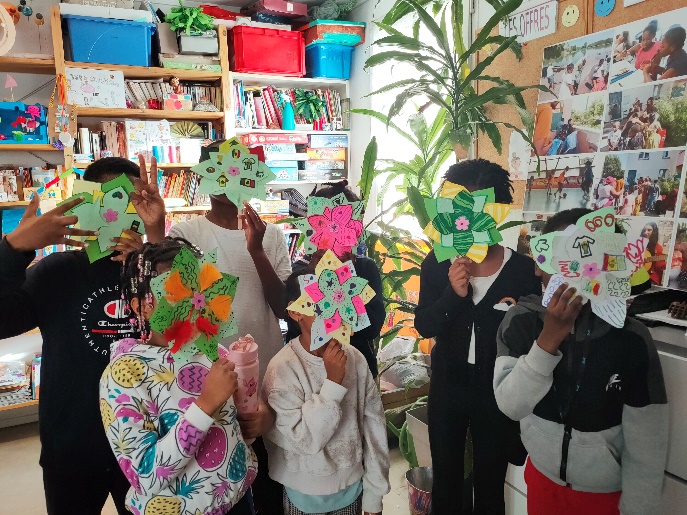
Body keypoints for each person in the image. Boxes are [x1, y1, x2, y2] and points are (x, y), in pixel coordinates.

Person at [0, 157, 165, 514]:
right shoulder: (56, 272)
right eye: (117, 200)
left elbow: (193, 328)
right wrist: (13, 249)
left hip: (148, 445)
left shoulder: (157, 269)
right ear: (90, 204)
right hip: (71, 448)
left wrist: (155, 249)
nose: (128, 214)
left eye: (139, 204)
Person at [493, 208, 668, 515]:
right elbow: (511, 405)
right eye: (561, 259)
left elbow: (647, 441)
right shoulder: (520, 322)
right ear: (539, 264)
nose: (574, 273)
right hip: (543, 478)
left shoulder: (631, 339)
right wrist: (548, 339)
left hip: (606, 492)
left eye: (588, 258)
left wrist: (639, 508)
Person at [166, 140, 291, 514]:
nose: (229, 180)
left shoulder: (271, 236)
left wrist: (256, 250)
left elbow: (284, 307)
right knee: (221, 474)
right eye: (219, 170)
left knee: (269, 472)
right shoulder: (186, 233)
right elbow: (174, 307)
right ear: (204, 177)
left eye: (239, 170)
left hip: (266, 374)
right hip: (209, 378)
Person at [414, 159, 542, 514]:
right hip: (448, 388)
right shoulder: (437, 263)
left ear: (495, 214)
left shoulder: (522, 271)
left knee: (489, 486)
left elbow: (534, 337)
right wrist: (452, 296)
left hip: (498, 392)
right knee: (446, 482)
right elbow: (424, 325)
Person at [100, 238, 257, 515]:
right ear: (142, 306)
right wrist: (206, 404)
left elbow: (236, 425)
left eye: (198, 288)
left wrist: (257, 417)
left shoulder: (212, 350)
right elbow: (146, 476)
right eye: (174, 293)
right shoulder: (124, 375)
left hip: (237, 498)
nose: (192, 301)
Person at [262, 270, 391, 515]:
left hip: (351, 489)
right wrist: (333, 383)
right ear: (296, 312)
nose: (330, 309)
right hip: (302, 496)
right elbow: (303, 439)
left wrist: (375, 495)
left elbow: (374, 426)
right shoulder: (282, 368)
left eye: (333, 297)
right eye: (319, 302)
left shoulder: (355, 359)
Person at [291, 181, 385, 377]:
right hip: (310, 372)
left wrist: (347, 275)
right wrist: (314, 273)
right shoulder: (301, 272)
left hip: (358, 369)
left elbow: (372, 328)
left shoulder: (365, 269)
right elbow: (296, 325)